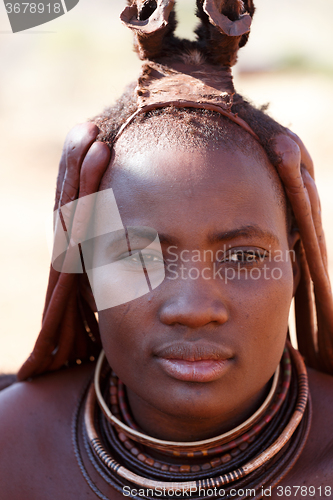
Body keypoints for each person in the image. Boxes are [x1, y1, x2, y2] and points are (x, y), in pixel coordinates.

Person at [1, 1, 333, 499]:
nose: (194, 309)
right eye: (136, 256)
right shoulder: (12, 447)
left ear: (294, 262)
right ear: (87, 274)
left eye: (243, 257)